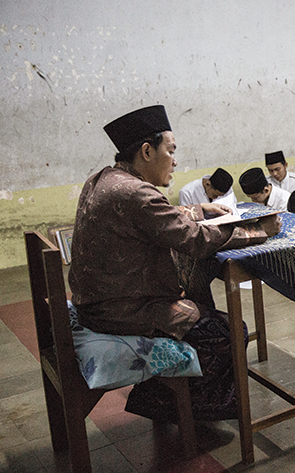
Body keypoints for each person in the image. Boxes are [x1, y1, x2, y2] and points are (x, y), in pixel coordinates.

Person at [69, 105, 281, 422]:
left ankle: (168, 398)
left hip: (98, 302)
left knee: (196, 297)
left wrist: (202, 210)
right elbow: (194, 240)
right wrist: (256, 231)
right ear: (146, 150)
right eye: (171, 151)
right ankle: (181, 406)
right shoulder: (135, 193)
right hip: (122, 312)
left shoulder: (105, 180)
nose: (175, 160)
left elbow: (161, 218)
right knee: (228, 330)